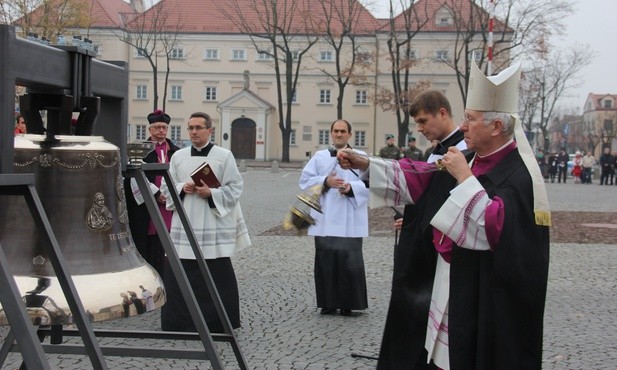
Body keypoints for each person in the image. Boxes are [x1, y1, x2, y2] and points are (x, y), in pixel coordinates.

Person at [337, 62, 550, 370]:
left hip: (486, 297)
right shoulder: (469, 158)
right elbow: (420, 176)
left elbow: (493, 230)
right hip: (452, 285)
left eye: (471, 119)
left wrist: (465, 178)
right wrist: (365, 163)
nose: (463, 127)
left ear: (496, 127)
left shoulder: (519, 175)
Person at [377, 89, 468, 368]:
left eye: (423, 121)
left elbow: (459, 200)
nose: (420, 129)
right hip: (419, 243)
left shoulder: (462, 153)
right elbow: (428, 198)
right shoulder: (433, 153)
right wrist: (414, 219)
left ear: (442, 113)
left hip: (437, 252)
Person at [160, 112, 250, 333]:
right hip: (185, 221)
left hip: (212, 224)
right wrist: (182, 188)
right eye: (190, 128)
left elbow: (235, 188)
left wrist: (211, 192)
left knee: (216, 273)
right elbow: (166, 188)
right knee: (182, 272)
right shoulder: (178, 157)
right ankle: (179, 323)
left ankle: (218, 322)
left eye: (199, 127)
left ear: (210, 130)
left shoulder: (223, 156)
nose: (193, 132)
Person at [299, 119, 369, 316]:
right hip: (325, 217)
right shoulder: (320, 157)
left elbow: (371, 184)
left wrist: (351, 188)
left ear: (349, 135)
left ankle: (349, 303)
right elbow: (304, 181)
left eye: (343, 131)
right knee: (326, 260)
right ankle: (328, 302)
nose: (339, 134)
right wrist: (326, 181)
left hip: (350, 217)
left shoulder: (361, 157)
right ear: (331, 134)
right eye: (336, 131)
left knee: (350, 259)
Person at [127, 110, 180, 275]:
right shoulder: (140, 150)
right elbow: (135, 176)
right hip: (149, 204)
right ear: (150, 130)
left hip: (171, 202)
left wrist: (171, 195)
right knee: (150, 239)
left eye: (164, 127)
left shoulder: (176, 152)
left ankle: (170, 274)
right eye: (157, 127)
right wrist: (156, 194)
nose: (161, 131)